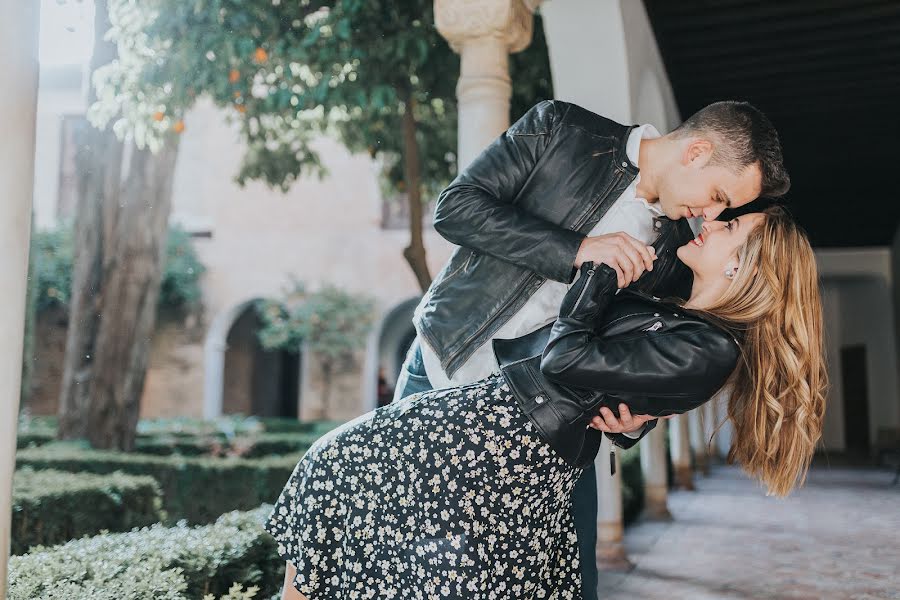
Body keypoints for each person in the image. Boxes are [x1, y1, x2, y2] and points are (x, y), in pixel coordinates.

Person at [264, 205, 827, 600]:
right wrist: (630, 424)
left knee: (338, 465)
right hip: (505, 425)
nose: (712, 222)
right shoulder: (684, 316)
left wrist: (599, 270)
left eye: (731, 225)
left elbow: (565, 358)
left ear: (744, 266)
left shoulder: (712, 347)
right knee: (357, 498)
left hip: (506, 436)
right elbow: (619, 386)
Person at [393, 98, 790, 599]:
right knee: (406, 551)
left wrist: (636, 422)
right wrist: (577, 251)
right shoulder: (558, 128)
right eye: (716, 196)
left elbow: (648, 361)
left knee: (566, 585)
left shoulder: (677, 257)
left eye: (723, 212)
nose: (710, 214)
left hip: (552, 427)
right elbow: (456, 208)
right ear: (697, 151)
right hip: (441, 363)